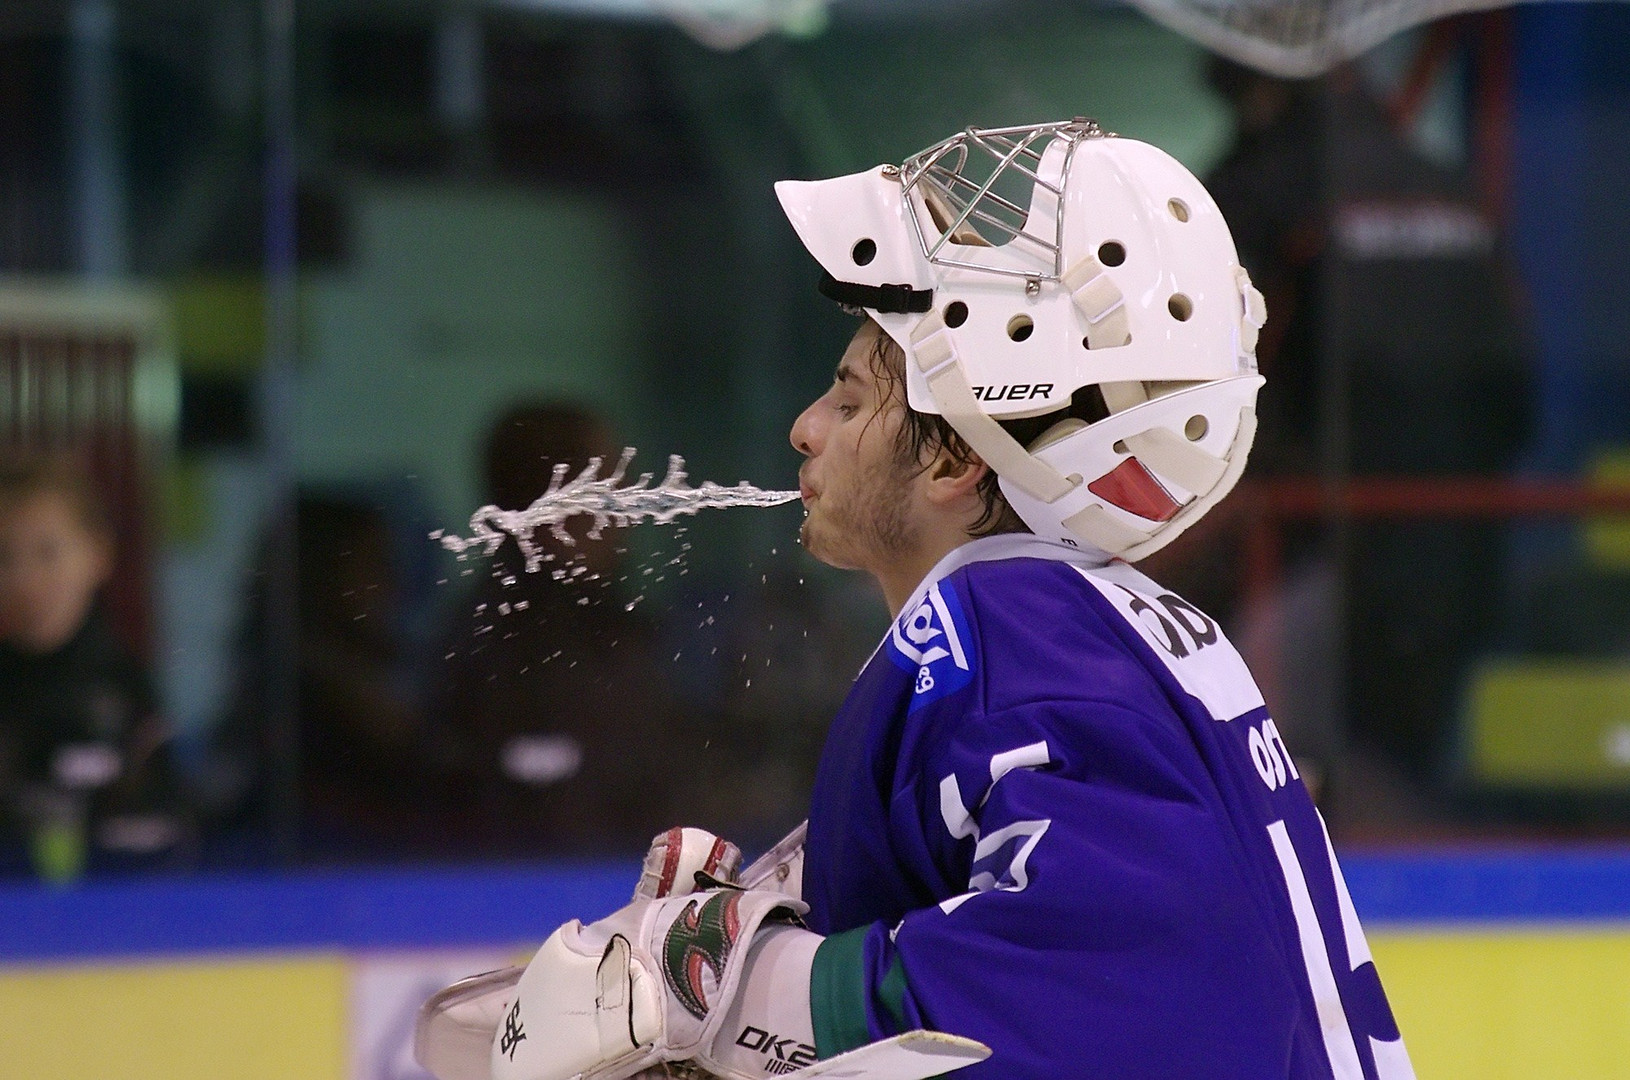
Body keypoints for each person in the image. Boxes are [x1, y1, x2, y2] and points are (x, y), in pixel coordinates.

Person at [416, 120, 1414, 1080]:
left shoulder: (1016, 635)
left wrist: (730, 984)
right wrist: (773, 940)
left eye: (851, 401)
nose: (807, 429)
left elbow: (1094, 981)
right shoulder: (1097, 627)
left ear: (950, 455)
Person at [0, 453, 186, 878]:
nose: (25, 578)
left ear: (98, 553)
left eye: (47, 552)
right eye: (4, 556)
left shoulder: (128, 692)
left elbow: (168, 831)